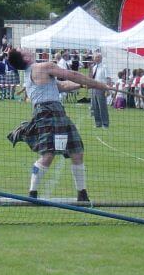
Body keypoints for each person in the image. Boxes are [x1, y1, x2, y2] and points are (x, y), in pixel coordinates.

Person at [6, 48, 110, 202]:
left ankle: (82, 194)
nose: (27, 49)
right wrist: (98, 84)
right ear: (26, 58)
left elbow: (62, 86)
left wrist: (82, 86)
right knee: (48, 155)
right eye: (23, 51)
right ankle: (32, 193)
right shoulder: (42, 67)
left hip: (57, 112)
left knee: (77, 152)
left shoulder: (34, 71)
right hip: (47, 113)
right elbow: (73, 75)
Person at [89, 53, 110, 128]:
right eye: (95, 57)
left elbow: (108, 78)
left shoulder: (104, 67)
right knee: (95, 106)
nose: (96, 58)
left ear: (101, 58)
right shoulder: (94, 67)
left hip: (101, 88)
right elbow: (91, 78)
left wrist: (107, 89)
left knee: (102, 106)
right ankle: (98, 123)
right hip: (94, 88)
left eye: (98, 57)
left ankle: (105, 123)